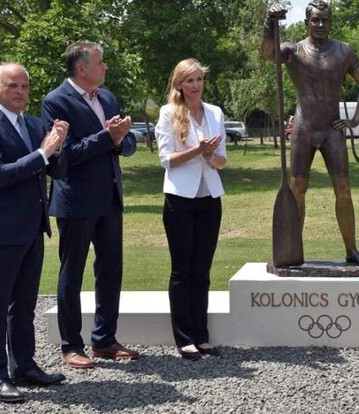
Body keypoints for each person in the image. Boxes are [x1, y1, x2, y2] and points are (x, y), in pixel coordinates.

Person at [0, 63, 68, 402]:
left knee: (24, 305)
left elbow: (55, 168)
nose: (21, 92)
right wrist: (44, 151)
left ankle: (23, 366)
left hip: (32, 227)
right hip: (1, 230)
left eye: (25, 86)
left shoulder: (33, 123)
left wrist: (59, 145)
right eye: (13, 86)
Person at [42, 41, 139, 369]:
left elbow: (127, 143)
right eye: (101, 62)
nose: (105, 67)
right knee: (73, 273)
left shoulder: (107, 97)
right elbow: (63, 156)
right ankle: (71, 345)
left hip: (110, 198)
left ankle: (104, 340)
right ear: (81, 68)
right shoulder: (55, 101)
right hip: (76, 202)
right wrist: (106, 138)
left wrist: (122, 138)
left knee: (111, 269)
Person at [261, 1, 359, 265]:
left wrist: (355, 119)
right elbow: (267, 54)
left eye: (325, 20)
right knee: (297, 189)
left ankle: (351, 250)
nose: (321, 25)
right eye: (316, 20)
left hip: (332, 129)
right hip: (304, 128)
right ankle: (292, 251)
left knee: (343, 190)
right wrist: (269, 23)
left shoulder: (344, 51)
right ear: (306, 22)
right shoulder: (293, 50)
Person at [154, 58, 226, 360]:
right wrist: (198, 150)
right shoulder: (169, 113)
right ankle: (184, 337)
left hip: (210, 197)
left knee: (202, 270)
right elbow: (167, 159)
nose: (196, 85)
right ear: (179, 85)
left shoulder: (215, 112)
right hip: (179, 200)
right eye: (190, 81)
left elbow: (221, 160)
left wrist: (209, 156)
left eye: (199, 80)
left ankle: (202, 334)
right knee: (182, 270)